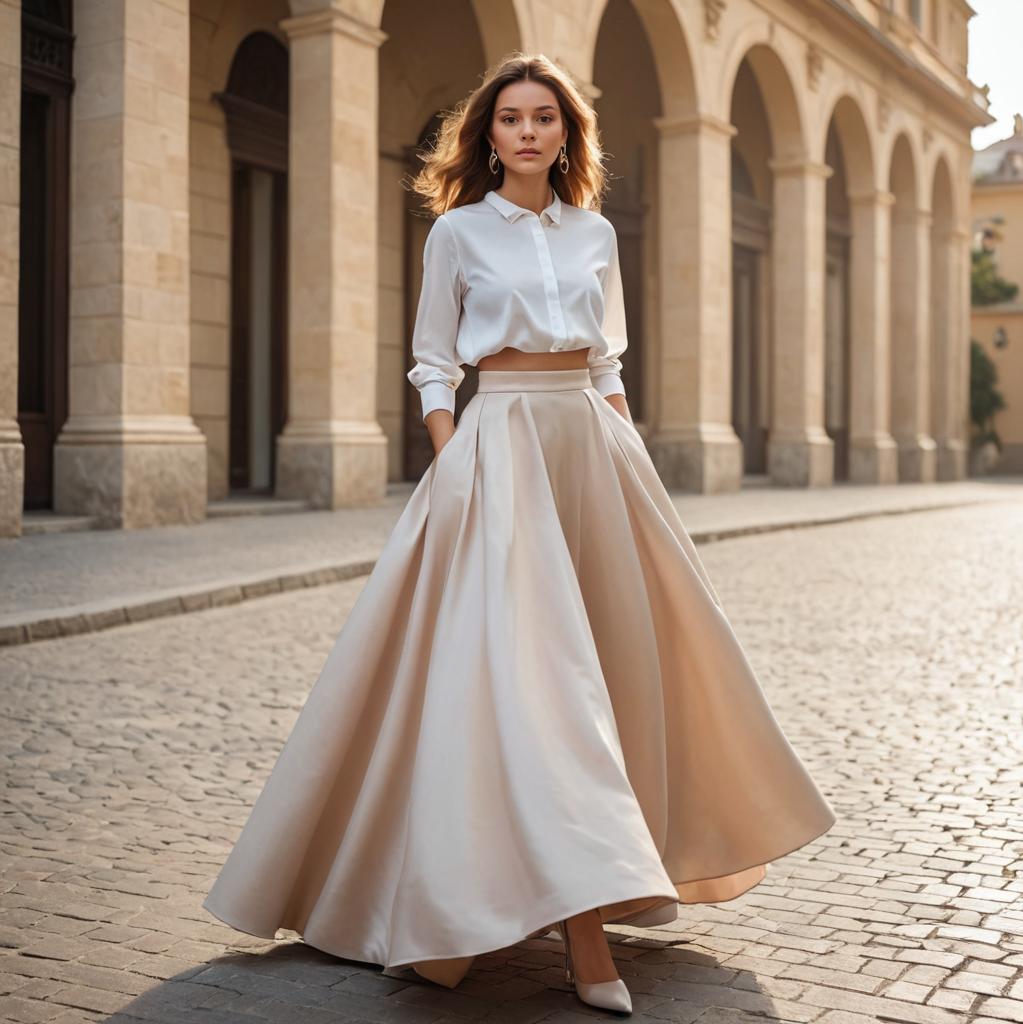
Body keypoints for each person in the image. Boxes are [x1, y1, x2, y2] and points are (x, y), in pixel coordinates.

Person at [202, 52, 836, 1016]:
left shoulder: (594, 233)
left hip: (591, 448)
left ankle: (549, 901)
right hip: (497, 446)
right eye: (511, 119)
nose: (529, 131)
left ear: (566, 132)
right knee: (527, 684)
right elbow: (428, 364)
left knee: (613, 667)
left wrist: (632, 460)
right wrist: (452, 457)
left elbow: (609, 356)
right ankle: (565, 936)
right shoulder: (457, 233)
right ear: (488, 135)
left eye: (545, 116)